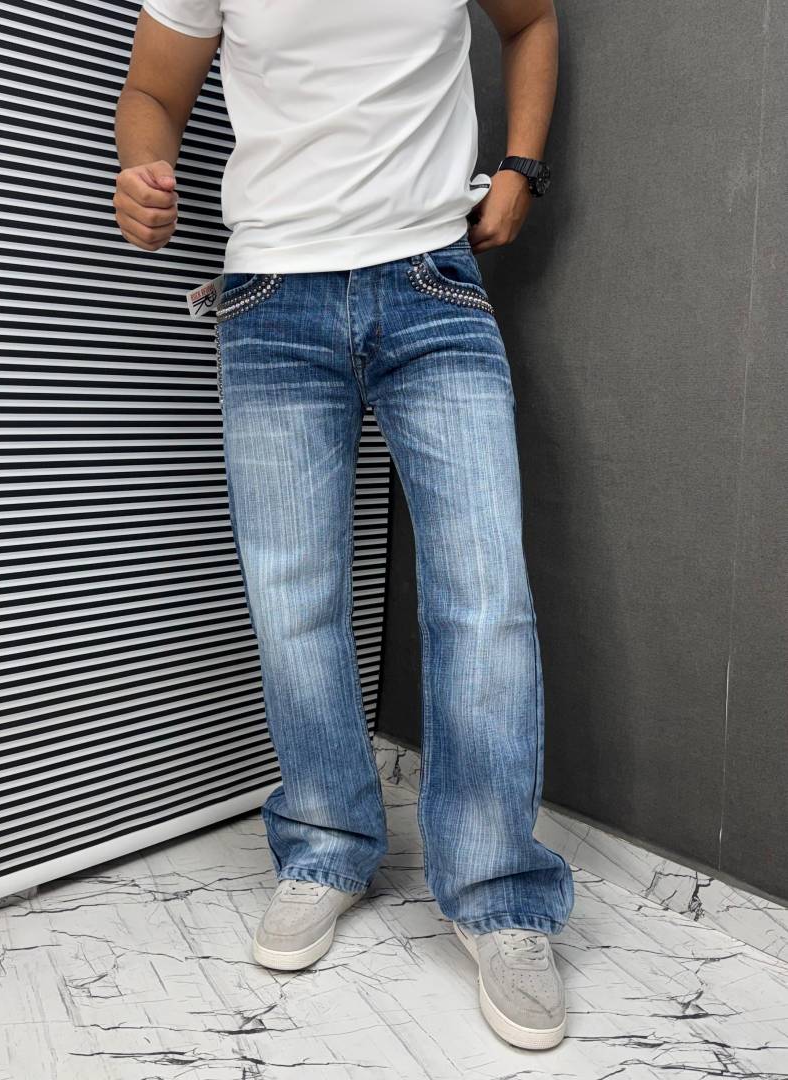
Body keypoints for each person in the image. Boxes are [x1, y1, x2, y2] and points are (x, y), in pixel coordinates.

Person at [115, 0, 574, 1051]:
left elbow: (531, 18)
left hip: (429, 282)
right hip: (270, 297)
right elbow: (151, 92)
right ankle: (324, 845)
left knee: (485, 598)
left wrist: (520, 167)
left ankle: (499, 895)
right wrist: (139, 168)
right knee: (294, 601)